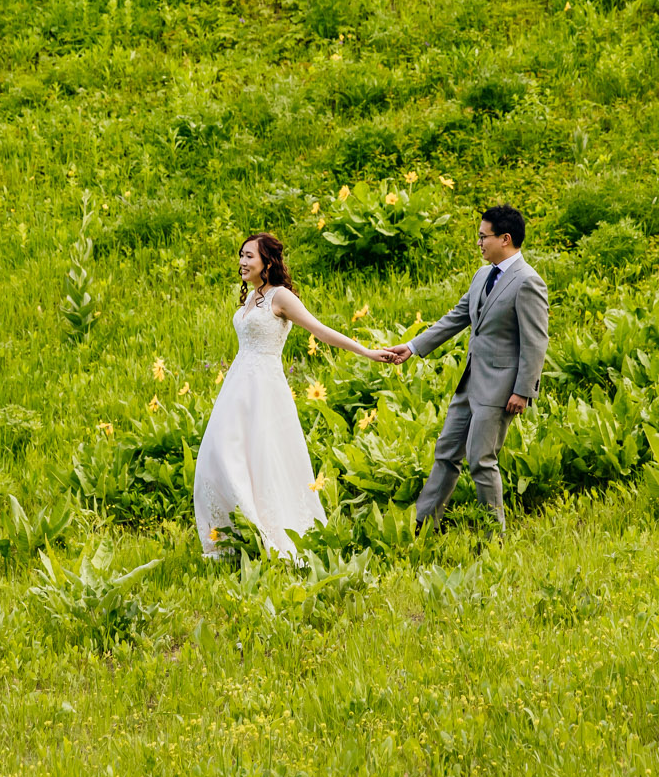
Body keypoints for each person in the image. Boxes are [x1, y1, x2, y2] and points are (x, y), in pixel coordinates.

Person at [194, 233, 394, 560]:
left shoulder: (280, 297)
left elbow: (320, 330)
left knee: (264, 459)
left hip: (264, 389)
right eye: (241, 256)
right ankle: (234, 534)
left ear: (267, 262)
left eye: (249, 256)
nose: (243, 262)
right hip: (238, 386)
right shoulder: (251, 297)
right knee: (215, 456)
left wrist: (366, 351)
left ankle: (266, 533)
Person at [380, 204, 548, 531]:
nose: (479, 243)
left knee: (481, 461)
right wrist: (412, 347)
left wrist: (523, 392)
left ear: (506, 238)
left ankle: (492, 535)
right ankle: (423, 524)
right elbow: (456, 318)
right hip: (470, 383)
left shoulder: (528, 282)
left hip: (501, 389)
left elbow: (535, 341)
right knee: (446, 452)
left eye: (484, 237)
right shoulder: (482, 275)